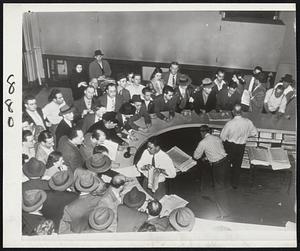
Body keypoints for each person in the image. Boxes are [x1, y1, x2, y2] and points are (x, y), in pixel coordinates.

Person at [193, 125, 231, 218]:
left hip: (218, 166)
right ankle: (225, 206)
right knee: (222, 185)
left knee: (219, 189)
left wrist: (203, 156)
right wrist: (208, 156)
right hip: (226, 162)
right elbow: (219, 150)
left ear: (202, 133)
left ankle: (225, 213)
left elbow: (196, 156)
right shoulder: (217, 138)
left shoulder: (203, 142)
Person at [220, 104, 258, 189]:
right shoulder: (248, 122)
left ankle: (224, 183)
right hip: (241, 146)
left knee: (227, 164)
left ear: (233, 112)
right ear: (242, 112)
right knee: (237, 165)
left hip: (230, 146)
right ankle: (235, 184)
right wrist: (246, 135)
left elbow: (222, 137)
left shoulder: (229, 123)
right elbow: (255, 133)